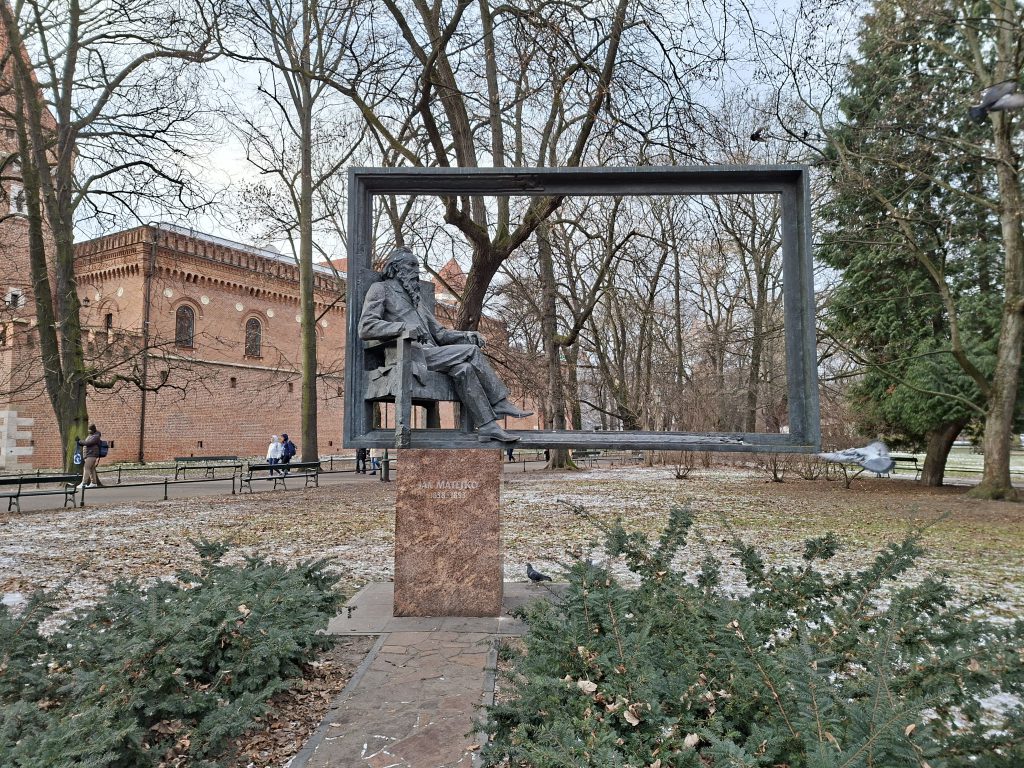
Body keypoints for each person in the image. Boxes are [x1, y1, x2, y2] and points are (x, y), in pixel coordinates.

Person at [359, 247, 532, 442]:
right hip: (407, 355)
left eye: (417, 266)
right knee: (472, 352)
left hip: (432, 355)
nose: (416, 270)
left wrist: (466, 335)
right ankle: (499, 401)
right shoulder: (381, 289)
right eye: (412, 265)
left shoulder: (417, 301)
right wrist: (403, 327)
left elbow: (440, 334)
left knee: (464, 368)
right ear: (396, 267)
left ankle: (487, 426)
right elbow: (366, 327)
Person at [76, 424, 103, 489]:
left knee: (86, 468)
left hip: (92, 455)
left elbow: (88, 443)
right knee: (91, 469)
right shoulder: (91, 435)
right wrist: (80, 442)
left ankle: (84, 483)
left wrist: (80, 441)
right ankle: (94, 483)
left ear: (92, 430)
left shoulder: (96, 436)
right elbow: (86, 443)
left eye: (89, 430)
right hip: (89, 454)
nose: (88, 431)